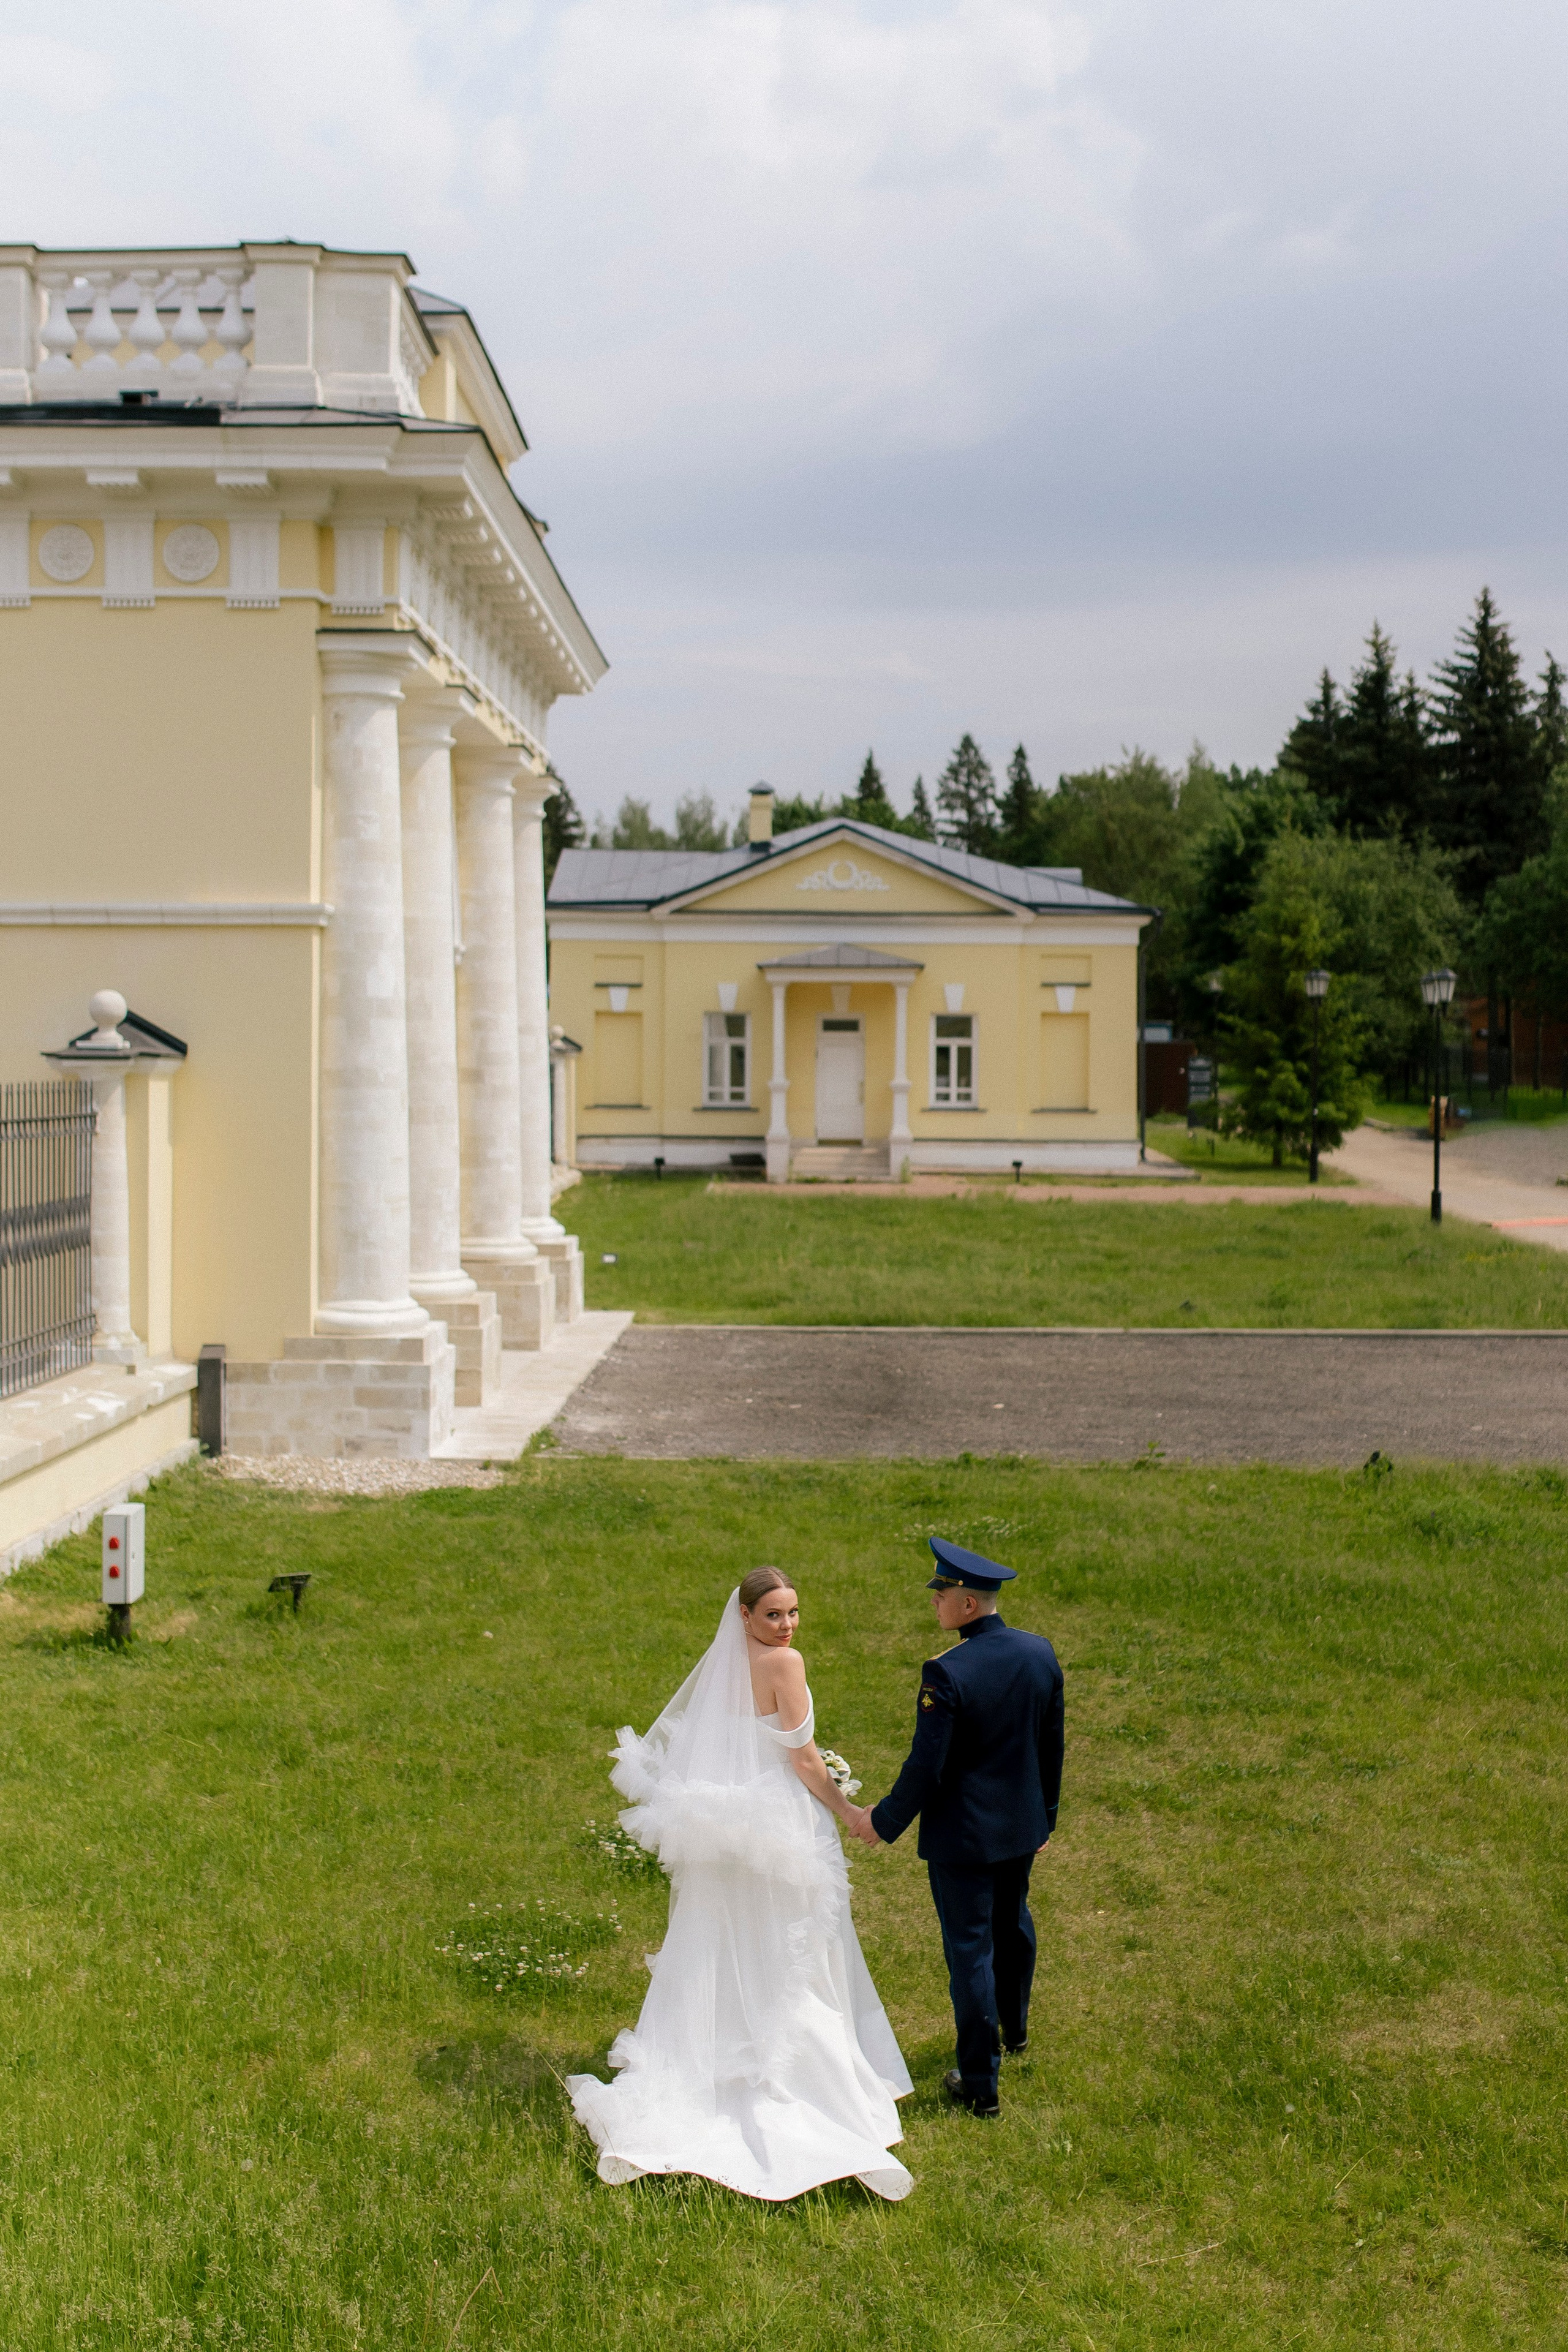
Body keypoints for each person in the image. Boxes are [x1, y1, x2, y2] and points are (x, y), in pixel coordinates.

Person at [567, 1566, 914, 2201]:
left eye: (793, 1613)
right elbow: (802, 1758)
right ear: (746, 1617)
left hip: (727, 1825)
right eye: (774, 1615)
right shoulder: (787, 1666)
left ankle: (715, 2053)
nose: (786, 1626)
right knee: (791, 1947)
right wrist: (848, 1813)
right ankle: (794, 2079)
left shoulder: (726, 1668)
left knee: (719, 1940)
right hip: (779, 1826)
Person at [848, 1538, 1064, 2119]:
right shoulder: (1039, 1653)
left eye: (941, 1594)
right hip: (1020, 1830)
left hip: (963, 1839)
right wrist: (1045, 1817)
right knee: (1013, 1926)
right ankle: (1014, 2033)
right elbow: (1051, 1746)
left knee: (970, 1952)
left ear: (967, 1604)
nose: (935, 1604)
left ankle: (979, 2085)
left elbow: (927, 1766)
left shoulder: (946, 1673)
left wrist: (882, 1821)